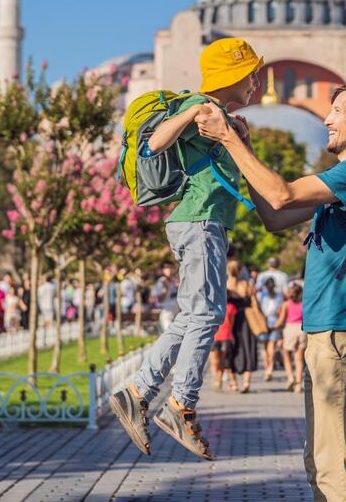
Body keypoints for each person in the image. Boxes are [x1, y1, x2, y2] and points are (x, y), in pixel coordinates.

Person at [196, 81, 346, 501]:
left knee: (337, 473)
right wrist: (243, 148)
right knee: (322, 465)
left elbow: (282, 192)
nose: (327, 118)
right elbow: (274, 213)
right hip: (331, 331)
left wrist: (230, 139)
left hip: (344, 332)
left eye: (338, 111)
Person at [109, 37, 262, 462]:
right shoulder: (199, 104)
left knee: (196, 314)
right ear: (231, 75)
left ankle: (137, 392)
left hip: (205, 223)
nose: (256, 82)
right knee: (207, 313)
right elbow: (154, 144)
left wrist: (238, 139)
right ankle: (181, 404)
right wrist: (195, 112)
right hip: (198, 222)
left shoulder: (226, 117)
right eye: (250, 74)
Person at [226, 260, 261, 394]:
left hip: (230, 321)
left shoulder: (226, 286)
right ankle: (246, 382)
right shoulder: (247, 285)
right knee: (248, 349)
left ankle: (233, 382)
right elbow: (255, 304)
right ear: (241, 270)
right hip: (247, 320)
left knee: (230, 350)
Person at [276, 283, 307, 393]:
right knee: (299, 359)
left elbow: (281, 321)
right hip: (302, 329)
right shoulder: (304, 304)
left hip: (290, 329)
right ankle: (298, 384)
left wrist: (273, 327)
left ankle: (290, 377)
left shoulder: (286, 304)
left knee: (286, 354)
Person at [258, 277, 284, 381]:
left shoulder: (262, 296)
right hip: (270, 322)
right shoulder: (277, 296)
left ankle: (268, 369)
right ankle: (269, 369)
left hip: (270, 322)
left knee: (267, 348)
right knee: (269, 348)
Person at [210, 295, 238, 392]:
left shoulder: (229, 307)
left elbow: (231, 324)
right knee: (219, 361)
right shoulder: (216, 306)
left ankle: (220, 380)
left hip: (223, 336)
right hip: (219, 336)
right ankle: (221, 380)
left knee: (224, 360)